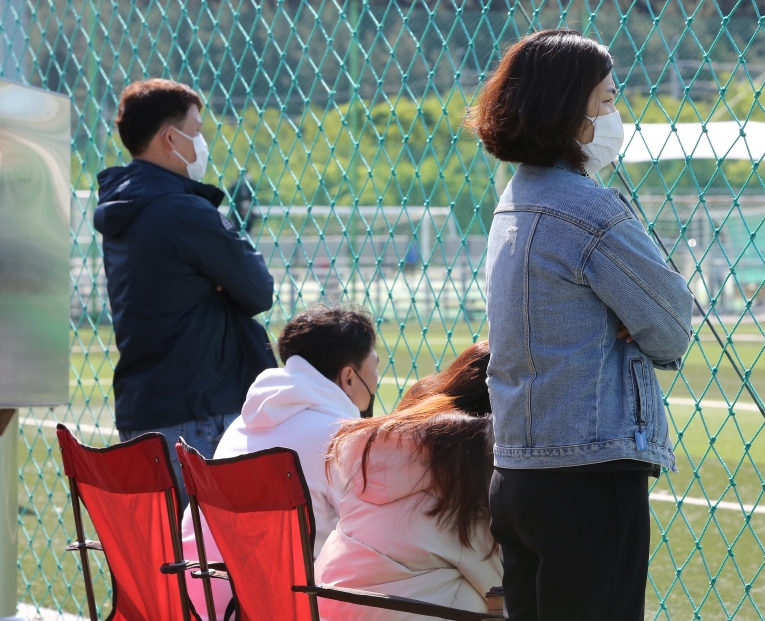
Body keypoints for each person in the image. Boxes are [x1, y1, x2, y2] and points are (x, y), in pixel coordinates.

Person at [466, 29, 694, 620]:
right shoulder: (589, 209)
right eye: (608, 101)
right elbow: (671, 326)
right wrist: (627, 316)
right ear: (572, 112)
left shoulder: (514, 199)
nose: (615, 116)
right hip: (588, 472)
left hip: (517, 467)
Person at [94, 79, 276, 504]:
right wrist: (221, 277)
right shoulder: (182, 210)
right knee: (215, 559)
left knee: (170, 559)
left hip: (147, 407)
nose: (202, 141)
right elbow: (258, 288)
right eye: (195, 130)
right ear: (169, 138)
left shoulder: (125, 207)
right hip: (199, 409)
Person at [181, 305, 380, 620]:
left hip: (212, 601)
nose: (377, 377)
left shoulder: (243, 424)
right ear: (349, 377)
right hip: (293, 607)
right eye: (375, 365)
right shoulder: (345, 438)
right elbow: (373, 542)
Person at [314, 342, 502, 620]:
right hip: (407, 610)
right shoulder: (472, 457)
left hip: (330, 601)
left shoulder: (383, 443)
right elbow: (496, 577)